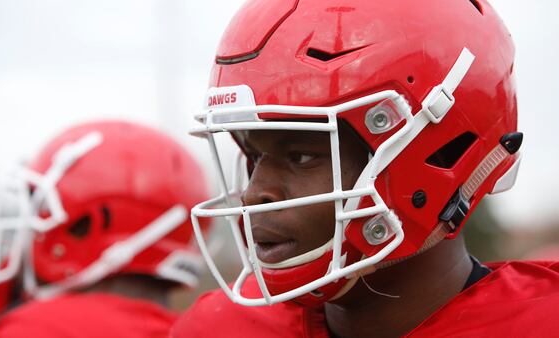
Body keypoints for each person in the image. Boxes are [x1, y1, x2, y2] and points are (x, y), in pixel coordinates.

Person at [171, 0, 559, 336]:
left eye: (301, 156)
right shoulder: (219, 328)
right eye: (254, 158)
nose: (255, 192)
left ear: (439, 157)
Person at [0, 120, 209, 338]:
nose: (32, 229)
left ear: (89, 223)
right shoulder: (203, 327)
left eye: (45, 210)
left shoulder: (34, 329)